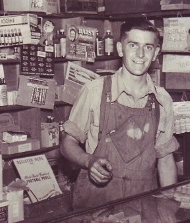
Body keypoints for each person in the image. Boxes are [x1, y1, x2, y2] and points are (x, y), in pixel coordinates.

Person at [60, 18, 179, 209]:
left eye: (148, 47)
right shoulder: (94, 91)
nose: (140, 54)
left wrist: (169, 207)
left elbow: (165, 160)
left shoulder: (162, 100)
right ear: (120, 48)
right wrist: (88, 160)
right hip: (97, 203)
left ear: (156, 53)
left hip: (144, 203)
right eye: (133, 45)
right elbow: (67, 143)